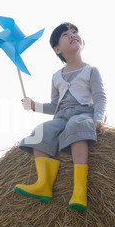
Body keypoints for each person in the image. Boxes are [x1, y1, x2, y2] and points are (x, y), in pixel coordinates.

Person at [14, 22, 107, 211]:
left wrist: (98, 116)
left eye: (75, 31)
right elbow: (55, 105)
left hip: (83, 113)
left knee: (76, 126)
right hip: (61, 116)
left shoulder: (91, 70)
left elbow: (99, 96)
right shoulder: (56, 76)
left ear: (82, 40)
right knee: (40, 131)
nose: (72, 34)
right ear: (57, 49)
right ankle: (44, 184)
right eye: (65, 34)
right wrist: (34, 106)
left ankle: (79, 191)